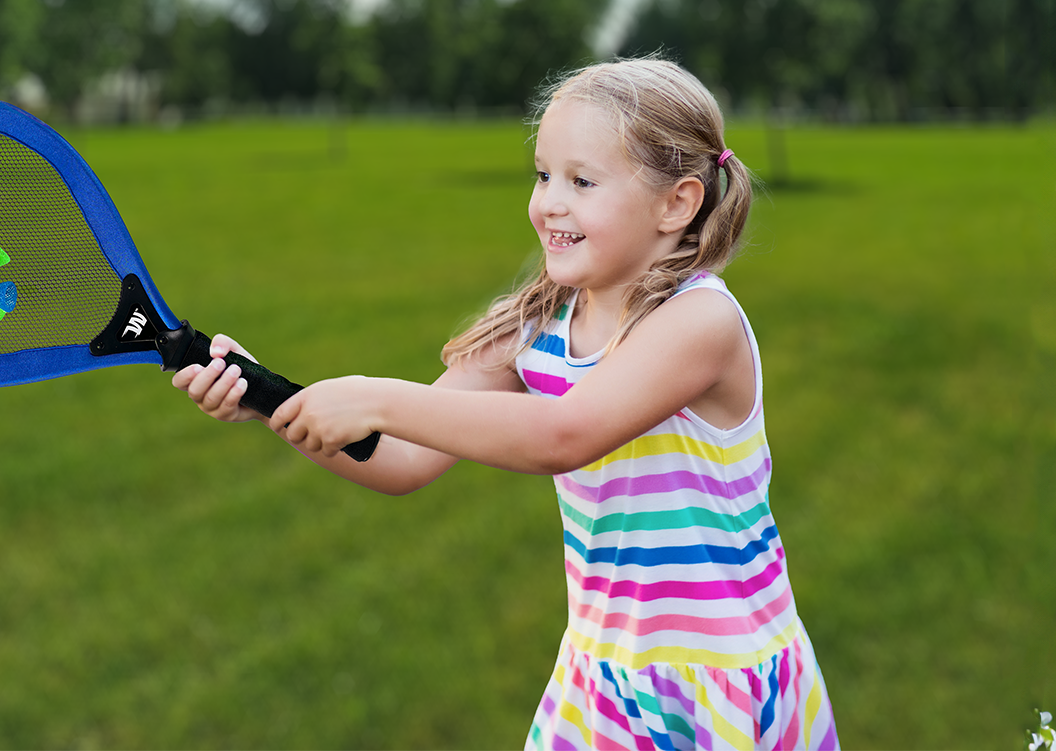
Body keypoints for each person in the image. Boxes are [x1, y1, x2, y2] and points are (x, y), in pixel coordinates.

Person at [173, 58, 839, 749]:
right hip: (598, 686)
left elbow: (563, 434)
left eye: (582, 181)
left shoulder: (699, 321)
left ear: (677, 204)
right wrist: (268, 398)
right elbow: (401, 462)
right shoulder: (535, 324)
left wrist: (375, 397)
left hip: (720, 684)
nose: (550, 201)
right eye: (543, 174)